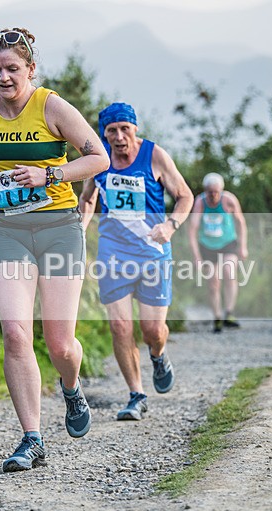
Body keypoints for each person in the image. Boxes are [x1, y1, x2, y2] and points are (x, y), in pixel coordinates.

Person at [0, 28, 109, 472]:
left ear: (30, 68)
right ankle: (32, 438)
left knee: (61, 344)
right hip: (8, 230)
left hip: (59, 228)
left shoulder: (52, 107)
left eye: (12, 68)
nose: (3, 77)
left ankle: (71, 386)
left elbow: (98, 158)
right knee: (15, 333)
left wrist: (50, 174)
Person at [79, 103, 193, 421]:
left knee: (152, 330)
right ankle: (136, 395)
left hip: (153, 253)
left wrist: (170, 225)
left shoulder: (154, 155)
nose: (119, 137)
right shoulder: (99, 159)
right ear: (103, 134)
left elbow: (185, 195)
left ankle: (158, 354)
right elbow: (88, 197)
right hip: (113, 253)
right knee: (119, 326)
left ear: (135, 129)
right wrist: (80, 229)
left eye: (124, 129)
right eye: (111, 131)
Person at [187, 172, 248, 333]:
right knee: (213, 283)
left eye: (216, 192)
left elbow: (240, 222)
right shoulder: (200, 203)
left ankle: (229, 312)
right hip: (207, 246)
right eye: (210, 192)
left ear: (221, 190)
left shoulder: (229, 200)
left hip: (228, 243)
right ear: (205, 191)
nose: (213, 195)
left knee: (229, 272)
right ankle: (217, 317)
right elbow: (192, 230)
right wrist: (196, 257)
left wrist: (243, 246)